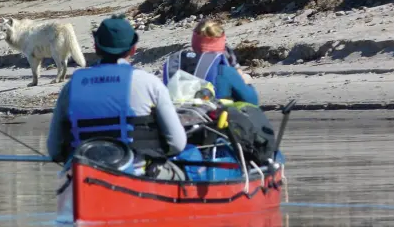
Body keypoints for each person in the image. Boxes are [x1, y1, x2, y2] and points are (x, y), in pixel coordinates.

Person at [46, 14, 188, 166]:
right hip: (137, 173)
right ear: (133, 49)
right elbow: (177, 144)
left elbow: (54, 150)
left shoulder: (71, 86)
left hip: (84, 174)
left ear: (96, 47)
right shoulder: (150, 83)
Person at [162, 19, 259, 105]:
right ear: (221, 44)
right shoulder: (224, 71)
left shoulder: (176, 65)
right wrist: (244, 81)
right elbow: (252, 101)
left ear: (194, 43)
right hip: (213, 122)